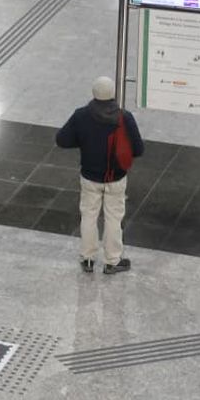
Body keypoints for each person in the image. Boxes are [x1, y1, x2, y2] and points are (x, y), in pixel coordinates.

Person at [55, 77, 144, 275]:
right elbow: (139, 149)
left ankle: (87, 259)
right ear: (113, 94)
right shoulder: (125, 118)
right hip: (116, 178)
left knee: (88, 215)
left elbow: (62, 140)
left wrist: (84, 141)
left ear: (94, 93)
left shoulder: (81, 116)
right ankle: (112, 261)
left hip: (89, 177)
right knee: (113, 218)